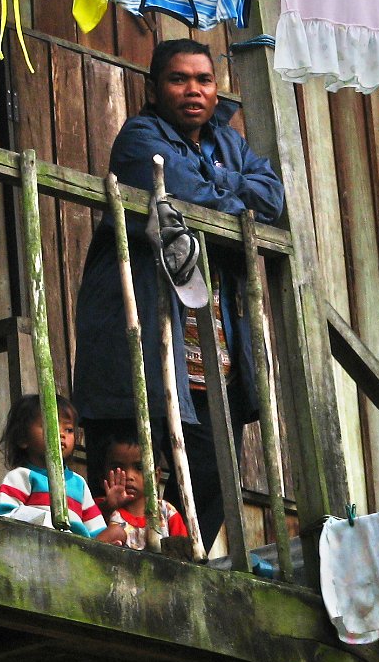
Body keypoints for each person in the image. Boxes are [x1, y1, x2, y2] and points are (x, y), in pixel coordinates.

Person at [72, 38, 284, 545]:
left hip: (213, 354)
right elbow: (180, 192)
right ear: (154, 88)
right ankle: (119, 564)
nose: (194, 90)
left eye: (204, 80)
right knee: (124, 473)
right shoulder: (139, 136)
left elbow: (272, 197)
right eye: (179, 79)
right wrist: (229, 190)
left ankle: (181, 557)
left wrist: (214, 184)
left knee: (214, 476)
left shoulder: (229, 143)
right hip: (144, 339)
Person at [0, 393, 124, 543]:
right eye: (50, 426)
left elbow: (95, 530)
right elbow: (1, 516)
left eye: (69, 430)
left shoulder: (78, 483)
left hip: (78, 548)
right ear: (23, 439)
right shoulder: (22, 476)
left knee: (117, 532)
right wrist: (43, 520)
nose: (61, 434)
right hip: (40, 543)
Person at [97, 430, 188, 551]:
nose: (129, 476)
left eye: (139, 467)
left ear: (156, 476)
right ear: (102, 477)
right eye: (118, 468)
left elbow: (182, 552)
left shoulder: (166, 512)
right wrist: (108, 507)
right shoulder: (100, 507)